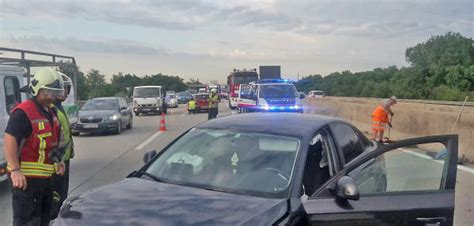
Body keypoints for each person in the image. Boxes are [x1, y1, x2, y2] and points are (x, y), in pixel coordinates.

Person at [4, 67, 65, 226]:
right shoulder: (24, 112)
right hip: (27, 182)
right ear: (36, 89)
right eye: (47, 92)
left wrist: (58, 161)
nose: (51, 97)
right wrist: (15, 170)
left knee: (44, 220)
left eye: (54, 93)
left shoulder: (51, 113)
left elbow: (53, 141)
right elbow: (10, 139)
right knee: (27, 222)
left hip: (46, 181)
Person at [50, 73, 75, 219]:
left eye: (67, 89)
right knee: (56, 198)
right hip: (56, 163)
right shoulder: (51, 109)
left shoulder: (59, 107)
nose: (65, 92)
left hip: (63, 159)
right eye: (62, 89)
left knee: (62, 195)